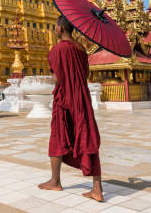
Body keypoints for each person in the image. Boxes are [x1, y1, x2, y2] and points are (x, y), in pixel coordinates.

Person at [38, 15, 103, 202]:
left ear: (61, 28)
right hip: (81, 98)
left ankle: (55, 181)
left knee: (58, 136)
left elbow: (58, 79)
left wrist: (56, 77)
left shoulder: (58, 49)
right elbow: (85, 73)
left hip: (64, 98)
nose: (54, 30)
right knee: (87, 136)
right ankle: (97, 188)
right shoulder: (81, 48)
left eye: (55, 27)